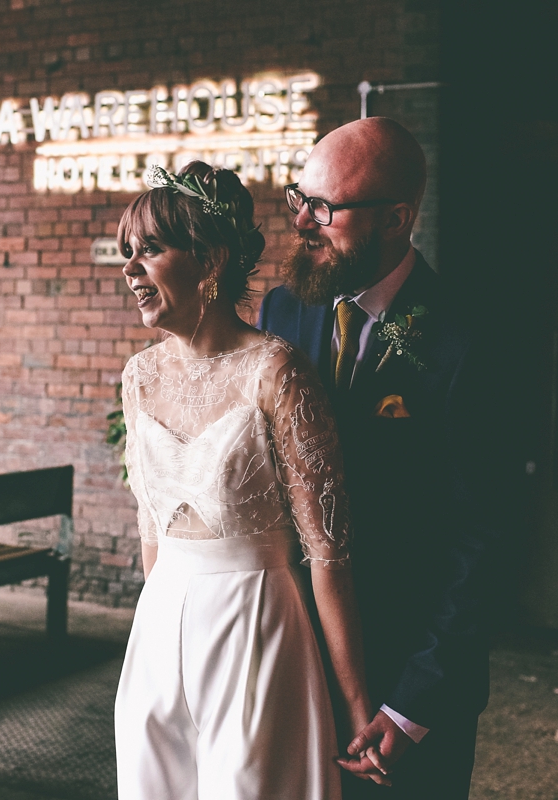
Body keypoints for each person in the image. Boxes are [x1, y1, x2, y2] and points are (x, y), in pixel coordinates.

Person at [259, 117, 513, 799]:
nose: (303, 223)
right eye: (298, 200)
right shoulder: (282, 310)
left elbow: (484, 540)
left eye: (326, 208)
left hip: (408, 686)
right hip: (297, 667)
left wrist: (412, 705)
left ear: (397, 218)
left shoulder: (470, 340)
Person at [113, 161, 380, 800]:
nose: (130, 270)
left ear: (210, 260)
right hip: (158, 630)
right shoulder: (138, 377)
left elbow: (328, 556)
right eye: (129, 252)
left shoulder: (276, 370)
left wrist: (356, 707)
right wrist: (156, 636)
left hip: (254, 624)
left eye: (150, 249)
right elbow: (152, 530)